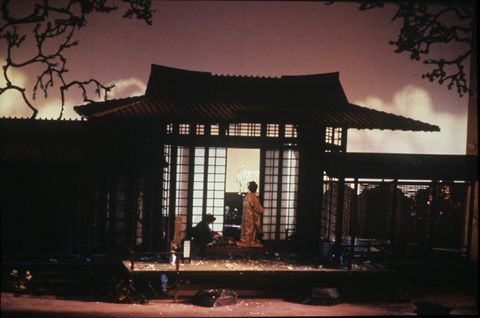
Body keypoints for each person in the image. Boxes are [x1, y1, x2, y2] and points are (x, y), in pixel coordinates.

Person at [237, 181, 265, 247]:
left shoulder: (247, 196)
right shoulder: (254, 197)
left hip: (246, 216)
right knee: (251, 229)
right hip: (251, 216)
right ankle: (250, 241)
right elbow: (257, 208)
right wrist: (261, 211)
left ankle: (246, 240)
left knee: (246, 228)